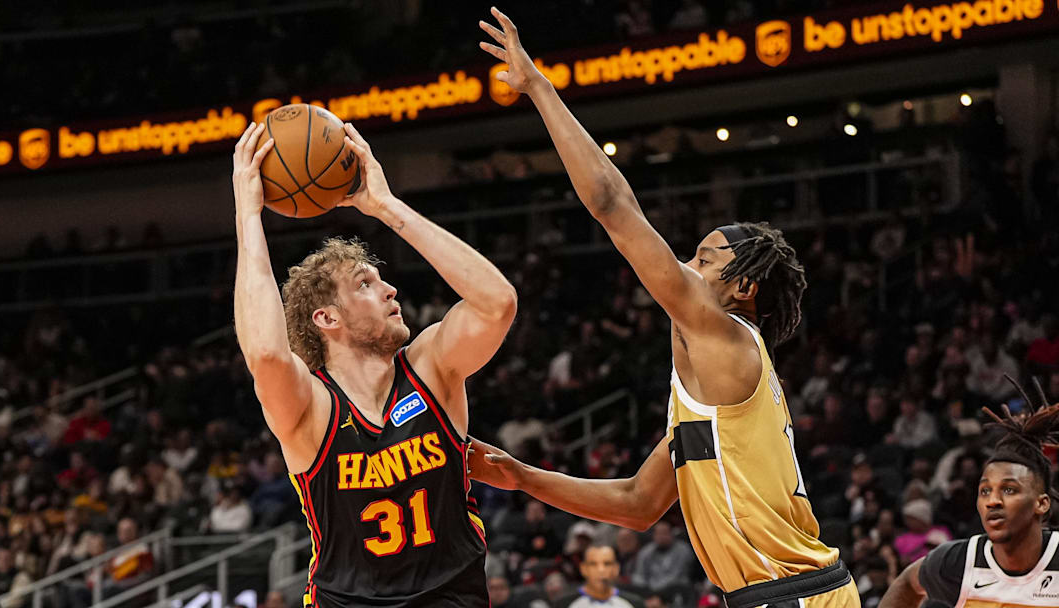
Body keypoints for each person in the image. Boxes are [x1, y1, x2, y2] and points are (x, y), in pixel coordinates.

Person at [471, 8, 857, 607]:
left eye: (704, 259)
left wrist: (540, 88)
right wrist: (520, 476)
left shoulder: (728, 338)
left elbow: (610, 203)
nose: (685, 268)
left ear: (743, 288)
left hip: (796, 596)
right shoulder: (707, 397)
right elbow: (637, 505)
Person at [232, 117, 517, 608]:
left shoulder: (431, 368)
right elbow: (263, 352)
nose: (390, 290)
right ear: (326, 317)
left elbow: (497, 303)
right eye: (365, 284)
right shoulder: (312, 407)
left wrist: (385, 207)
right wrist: (249, 215)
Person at [879, 380, 1059, 607]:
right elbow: (907, 582)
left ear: (1041, 504)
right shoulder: (960, 562)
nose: (993, 501)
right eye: (985, 490)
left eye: (1009, 489)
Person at [556, 545, 643, 608]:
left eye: (607, 564)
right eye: (593, 564)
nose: (601, 570)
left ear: (616, 568)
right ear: (583, 569)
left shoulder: (634, 603)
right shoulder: (564, 604)